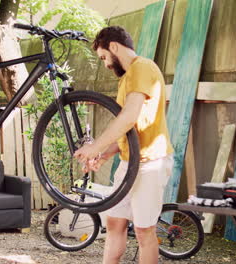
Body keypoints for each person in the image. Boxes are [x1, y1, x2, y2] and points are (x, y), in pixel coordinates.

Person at [74, 26, 174, 264]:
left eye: (104, 57)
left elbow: (129, 116)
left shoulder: (142, 68)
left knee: (143, 231)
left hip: (150, 162)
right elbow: (130, 129)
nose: (106, 64)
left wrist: (95, 146)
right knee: (115, 222)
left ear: (114, 47)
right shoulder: (126, 78)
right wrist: (106, 154)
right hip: (129, 163)